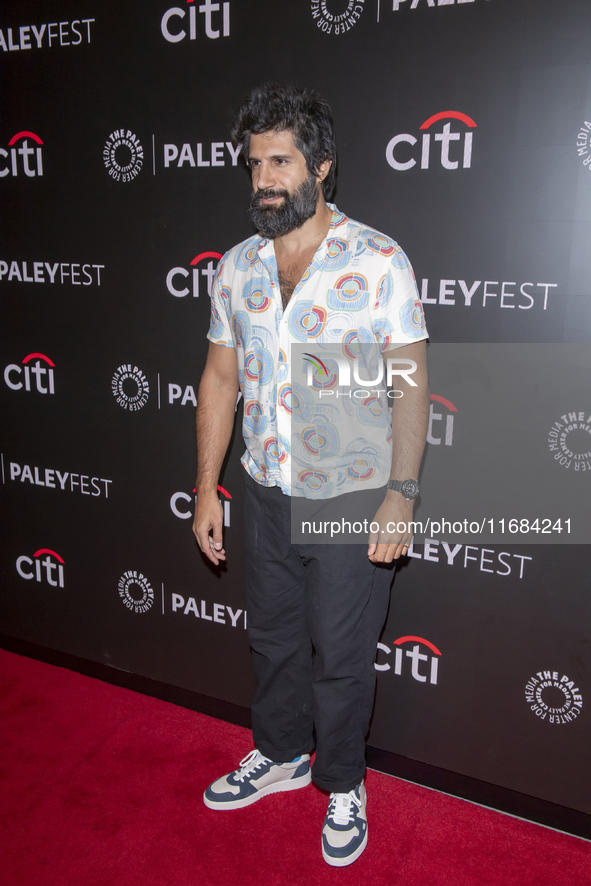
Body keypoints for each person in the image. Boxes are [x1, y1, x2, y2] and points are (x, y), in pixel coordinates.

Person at [192, 83, 429, 867]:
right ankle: (282, 754)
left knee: (341, 650)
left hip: (350, 490)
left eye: (281, 160)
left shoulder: (379, 259)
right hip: (264, 487)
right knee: (275, 641)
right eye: (254, 162)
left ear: (321, 167)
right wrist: (205, 487)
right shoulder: (236, 268)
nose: (264, 176)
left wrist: (401, 492)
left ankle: (342, 783)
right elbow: (220, 381)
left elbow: (410, 384)